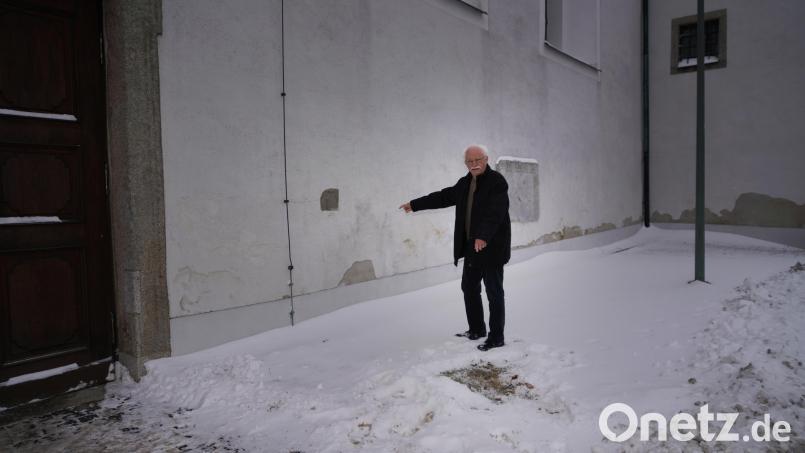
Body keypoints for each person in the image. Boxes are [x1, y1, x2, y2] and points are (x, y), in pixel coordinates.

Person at [400, 145, 511, 351]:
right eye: (470, 161)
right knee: (469, 288)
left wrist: (483, 236)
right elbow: (443, 197)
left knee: (494, 292)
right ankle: (477, 329)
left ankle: (497, 337)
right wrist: (414, 204)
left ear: (486, 159)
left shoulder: (497, 182)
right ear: (465, 163)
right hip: (472, 248)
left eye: (478, 159)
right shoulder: (465, 183)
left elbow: (496, 212)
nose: (474, 164)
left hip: (491, 248)